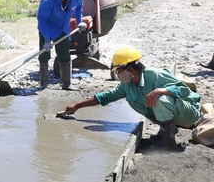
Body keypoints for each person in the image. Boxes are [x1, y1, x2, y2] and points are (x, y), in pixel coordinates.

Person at [63, 47, 201, 150]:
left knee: (159, 99)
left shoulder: (155, 74)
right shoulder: (127, 86)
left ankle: (168, 143)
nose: (118, 74)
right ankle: (164, 134)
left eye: (119, 70)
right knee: (133, 100)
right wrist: (76, 106)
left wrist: (162, 90)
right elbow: (105, 97)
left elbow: (185, 91)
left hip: (189, 113)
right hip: (175, 113)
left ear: (130, 68)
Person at [37, 0, 86, 90]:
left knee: (64, 54)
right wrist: (47, 39)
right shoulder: (48, 0)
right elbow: (42, 20)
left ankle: (67, 84)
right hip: (47, 28)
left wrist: (80, 21)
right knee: (44, 54)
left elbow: (79, 8)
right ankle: (44, 84)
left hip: (63, 28)